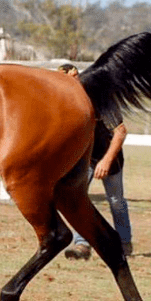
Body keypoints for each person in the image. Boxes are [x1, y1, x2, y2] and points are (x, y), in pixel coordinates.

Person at [57, 63, 133, 259]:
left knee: (116, 201)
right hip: (85, 159)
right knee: (77, 199)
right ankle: (82, 244)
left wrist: (106, 161)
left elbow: (120, 132)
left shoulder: (99, 96)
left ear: (75, 76)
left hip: (110, 157)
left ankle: (124, 243)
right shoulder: (66, 101)